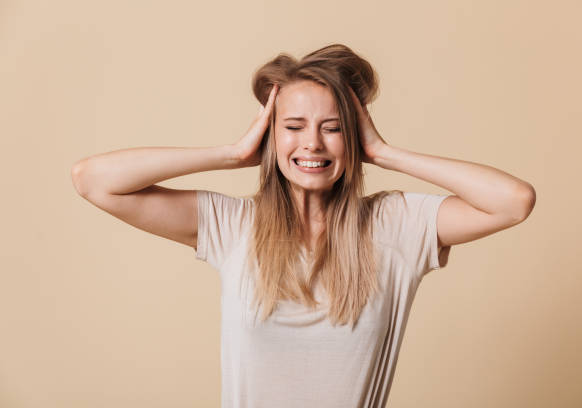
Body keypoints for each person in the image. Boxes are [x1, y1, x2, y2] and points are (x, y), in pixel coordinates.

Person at [71, 44, 536, 407]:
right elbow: (92, 180)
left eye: (332, 128)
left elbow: (513, 202)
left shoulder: (396, 226)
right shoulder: (232, 226)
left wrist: (384, 152)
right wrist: (232, 154)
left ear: (352, 137)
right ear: (270, 136)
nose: (312, 143)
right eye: (293, 126)